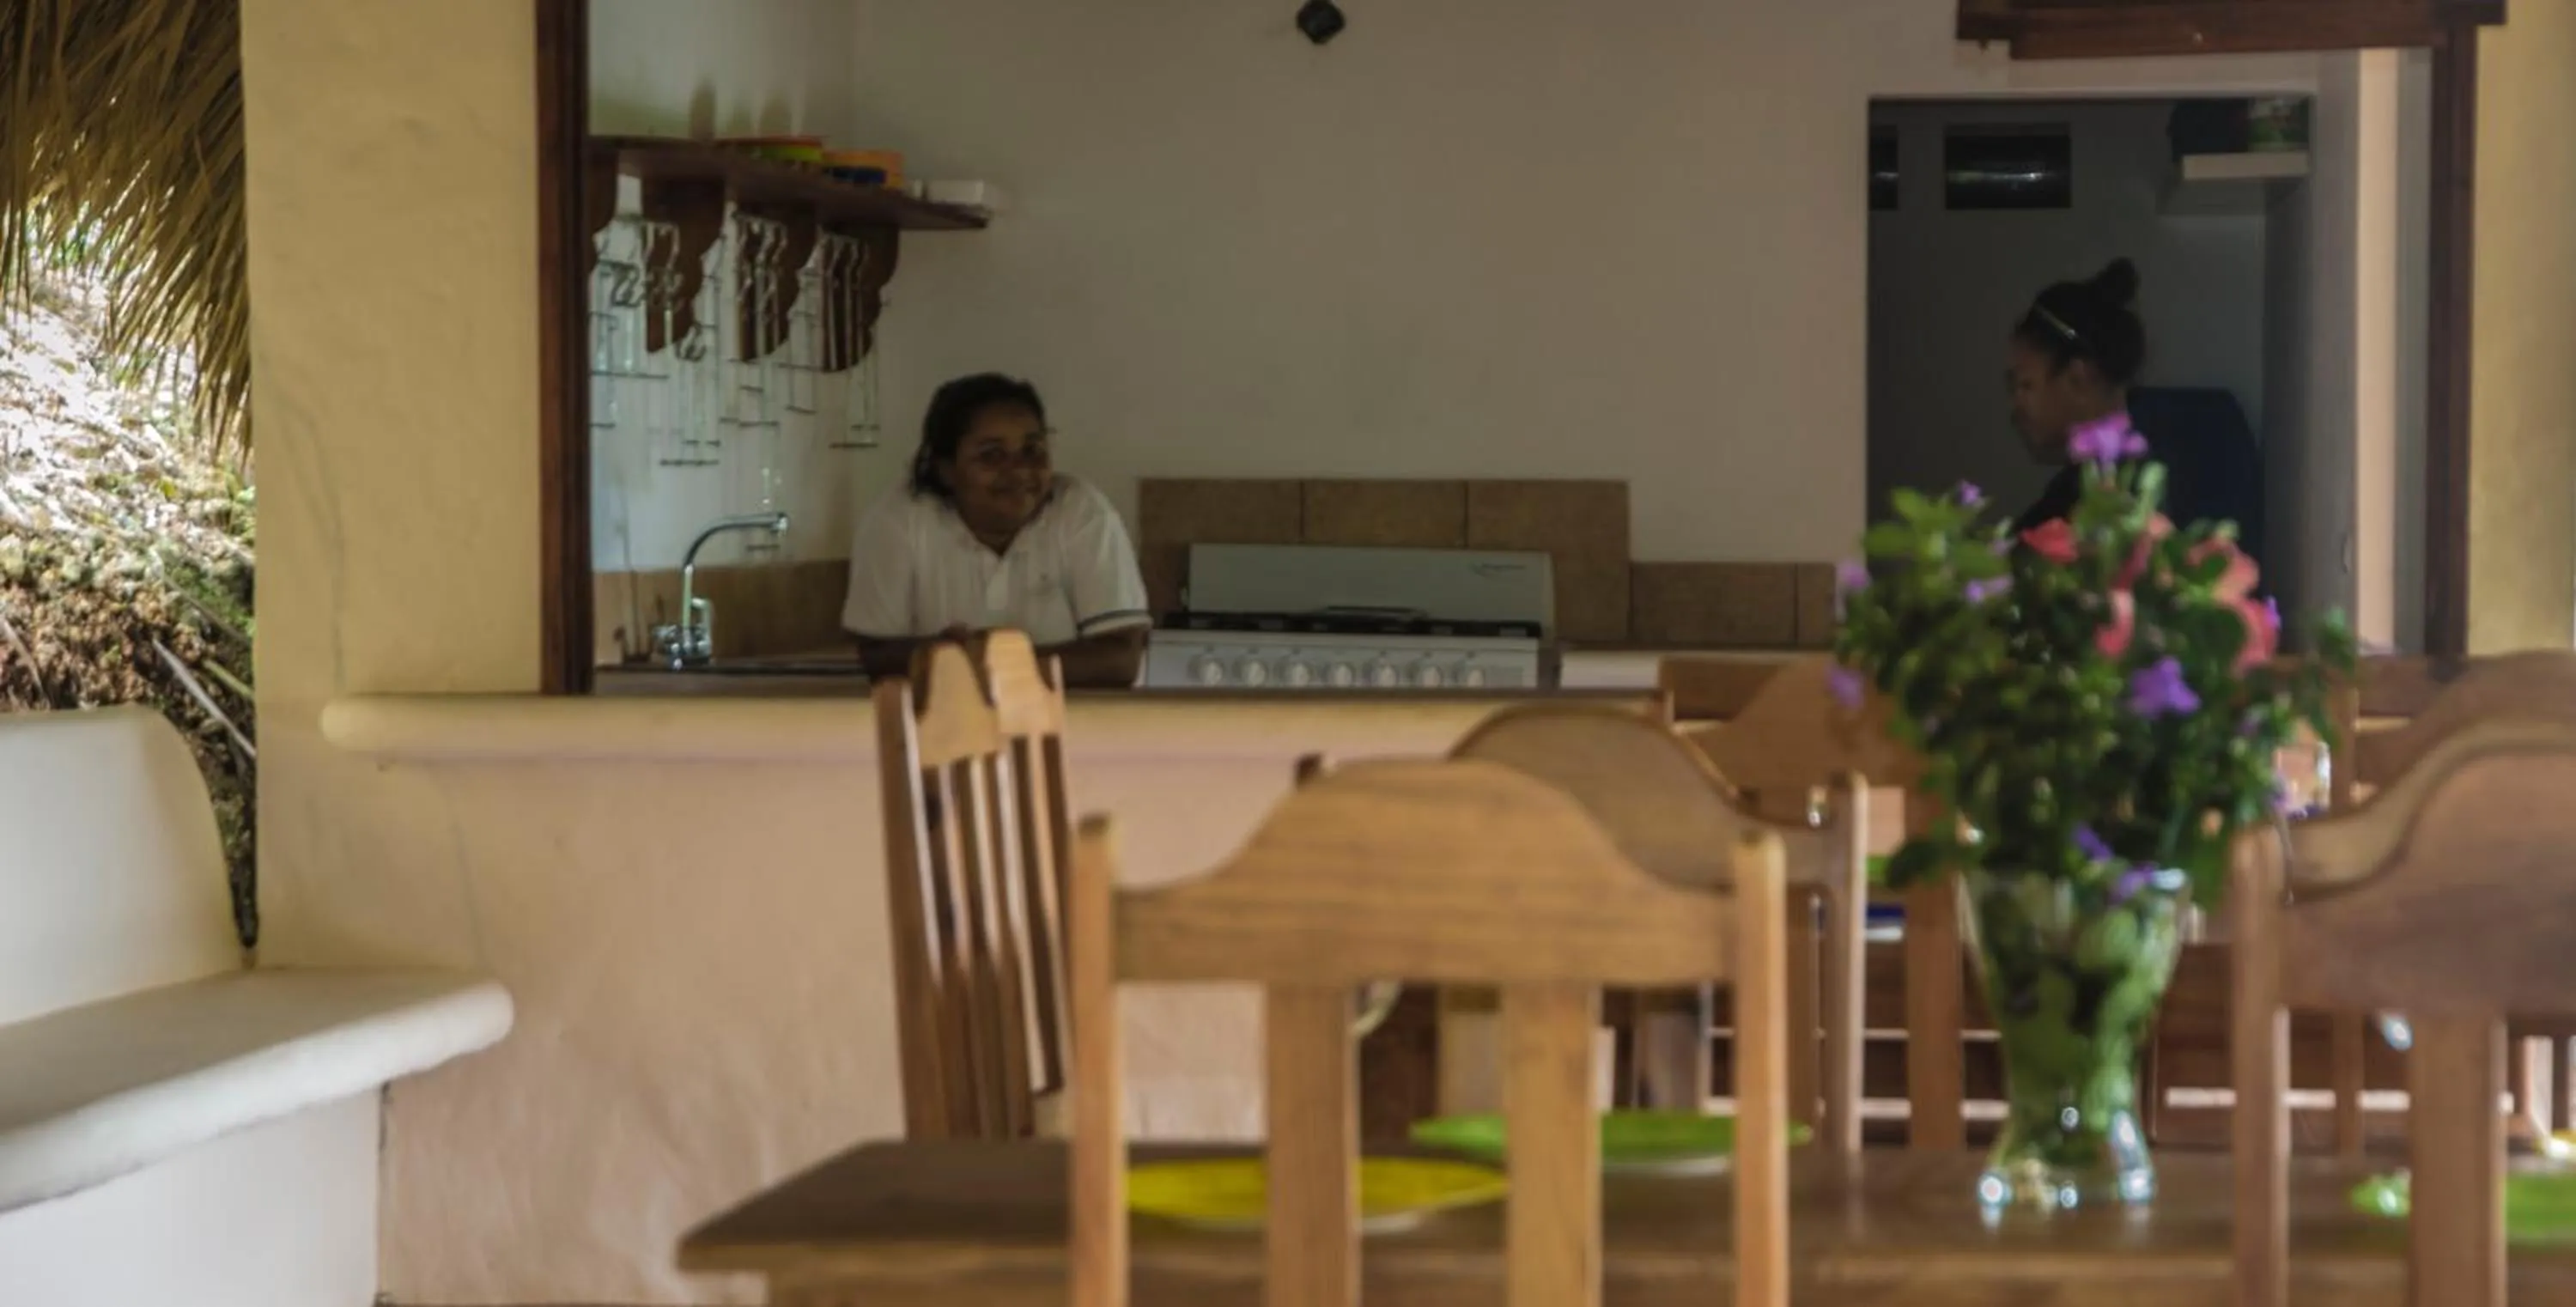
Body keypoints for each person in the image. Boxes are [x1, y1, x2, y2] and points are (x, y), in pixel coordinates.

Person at [841, 373, 1151, 687]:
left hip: (1077, 729)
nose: (1018, 470)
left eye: (1033, 450)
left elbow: (1121, 661)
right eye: (991, 456)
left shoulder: (1082, 511)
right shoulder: (898, 520)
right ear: (946, 469)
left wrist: (980, 664)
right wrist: (944, 655)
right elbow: (876, 655)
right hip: (946, 729)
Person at [2006, 258, 2264, 566]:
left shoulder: (2195, 444)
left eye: (2025, 385)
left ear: (2078, 378)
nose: (2016, 405)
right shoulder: (2072, 486)